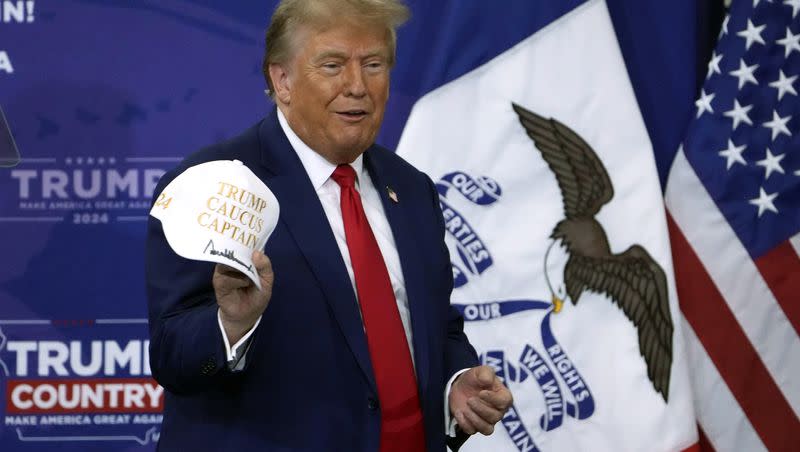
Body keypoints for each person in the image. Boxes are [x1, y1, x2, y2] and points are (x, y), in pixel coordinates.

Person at [145, 0, 512, 450]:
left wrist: (454, 385)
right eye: (333, 64)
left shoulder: (411, 189)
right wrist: (231, 324)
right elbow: (172, 357)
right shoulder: (217, 184)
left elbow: (436, 327)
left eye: (373, 64)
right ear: (282, 80)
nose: (357, 86)